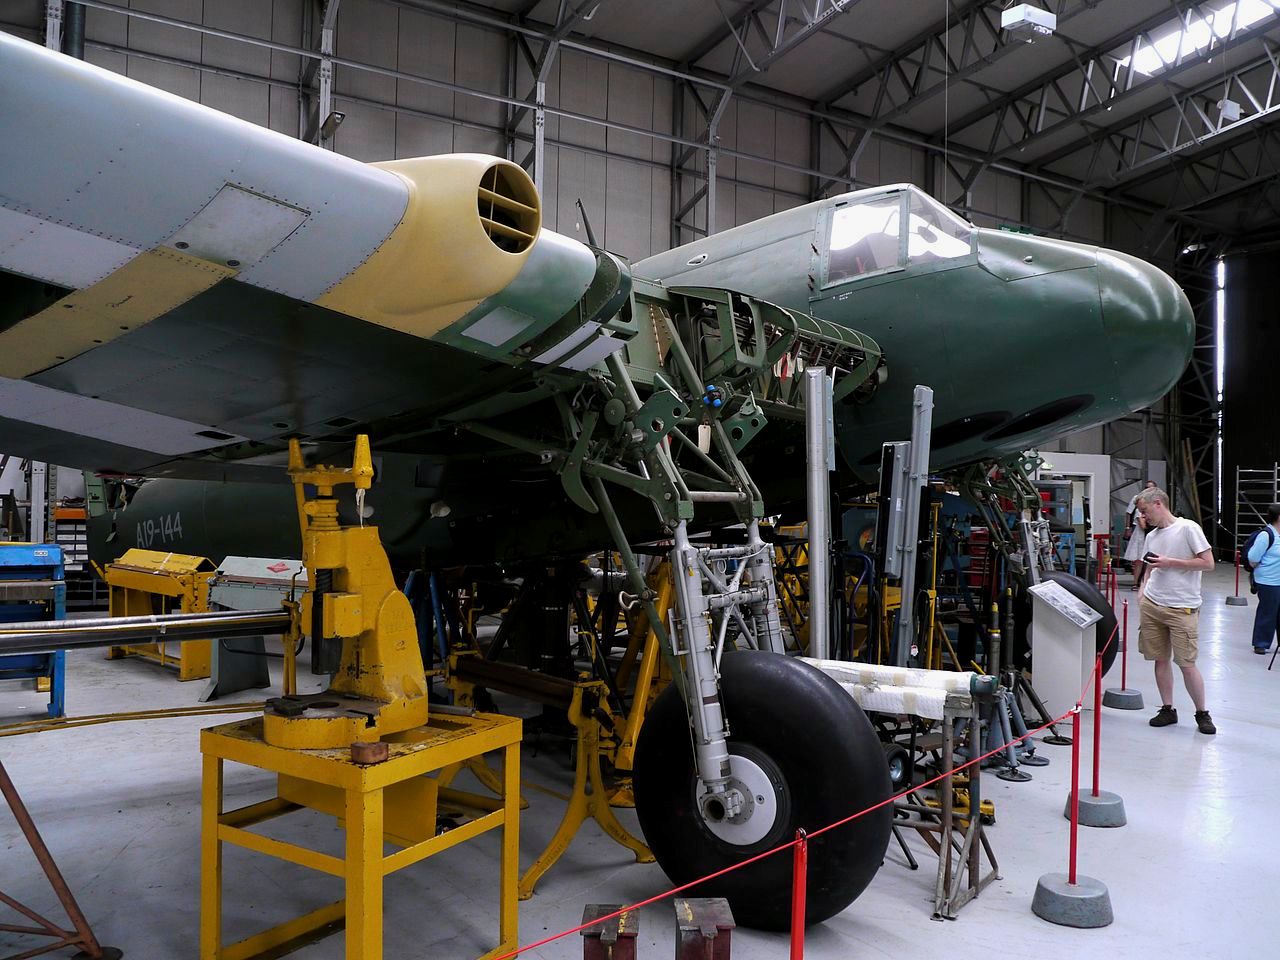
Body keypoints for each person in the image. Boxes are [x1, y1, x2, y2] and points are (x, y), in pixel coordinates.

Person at [1135, 486, 1217, 735]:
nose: (1143, 517)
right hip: (1153, 605)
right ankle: (1167, 709)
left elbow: (1208, 563)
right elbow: (1150, 566)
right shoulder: (1152, 536)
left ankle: (1202, 712)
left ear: (1158, 503)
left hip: (1182, 607)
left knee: (1187, 663)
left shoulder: (1188, 529)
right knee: (1160, 658)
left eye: (1145, 511)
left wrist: (1170, 562)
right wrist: (1143, 590)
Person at [1247, 503, 1280, 654]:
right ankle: (1261, 643)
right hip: (1268, 581)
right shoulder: (1266, 535)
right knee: (1268, 611)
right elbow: (1253, 558)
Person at [1123, 480, 1157, 589]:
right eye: (1146, 487)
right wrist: (1127, 528)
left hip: (1152, 531)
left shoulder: (1156, 501)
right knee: (1139, 558)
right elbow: (1129, 513)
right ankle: (1136, 582)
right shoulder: (1138, 499)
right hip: (1141, 531)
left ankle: (1146, 582)